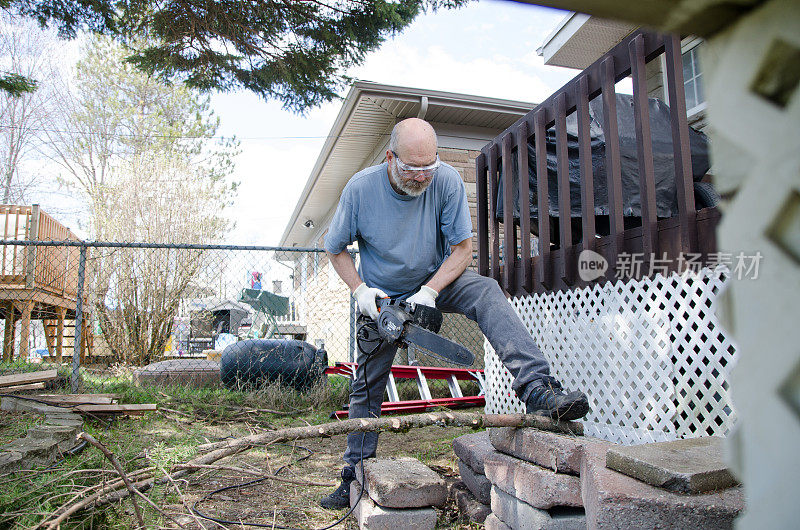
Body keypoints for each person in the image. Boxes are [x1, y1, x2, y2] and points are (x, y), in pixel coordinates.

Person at [319, 118, 589, 510]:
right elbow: (335, 248)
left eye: (429, 167)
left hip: (434, 281)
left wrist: (431, 291)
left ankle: (538, 389)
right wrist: (359, 289)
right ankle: (354, 476)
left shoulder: (444, 180)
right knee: (366, 386)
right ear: (390, 158)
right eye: (413, 169)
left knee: (486, 291)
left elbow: (462, 250)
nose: (423, 177)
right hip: (381, 299)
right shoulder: (361, 189)